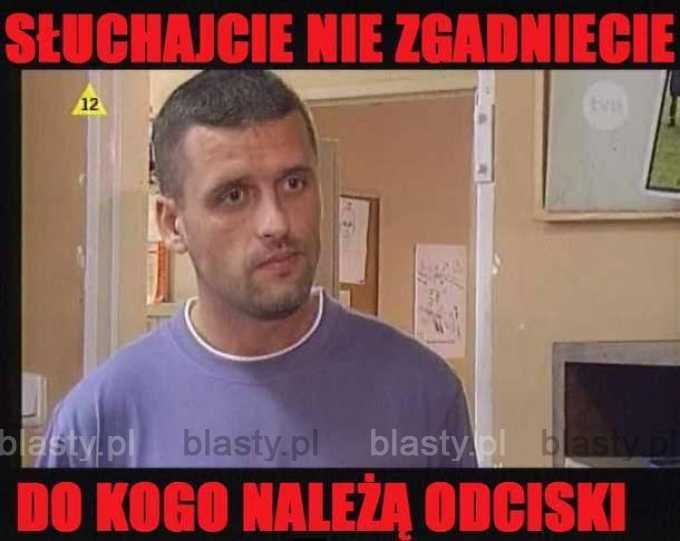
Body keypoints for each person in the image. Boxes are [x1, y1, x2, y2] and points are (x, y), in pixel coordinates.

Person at [36, 70, 477, 468]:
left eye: (293, 184)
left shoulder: (421, 392)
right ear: (172, 224)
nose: (276, 223)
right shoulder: (99, 423)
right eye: (234, 195)